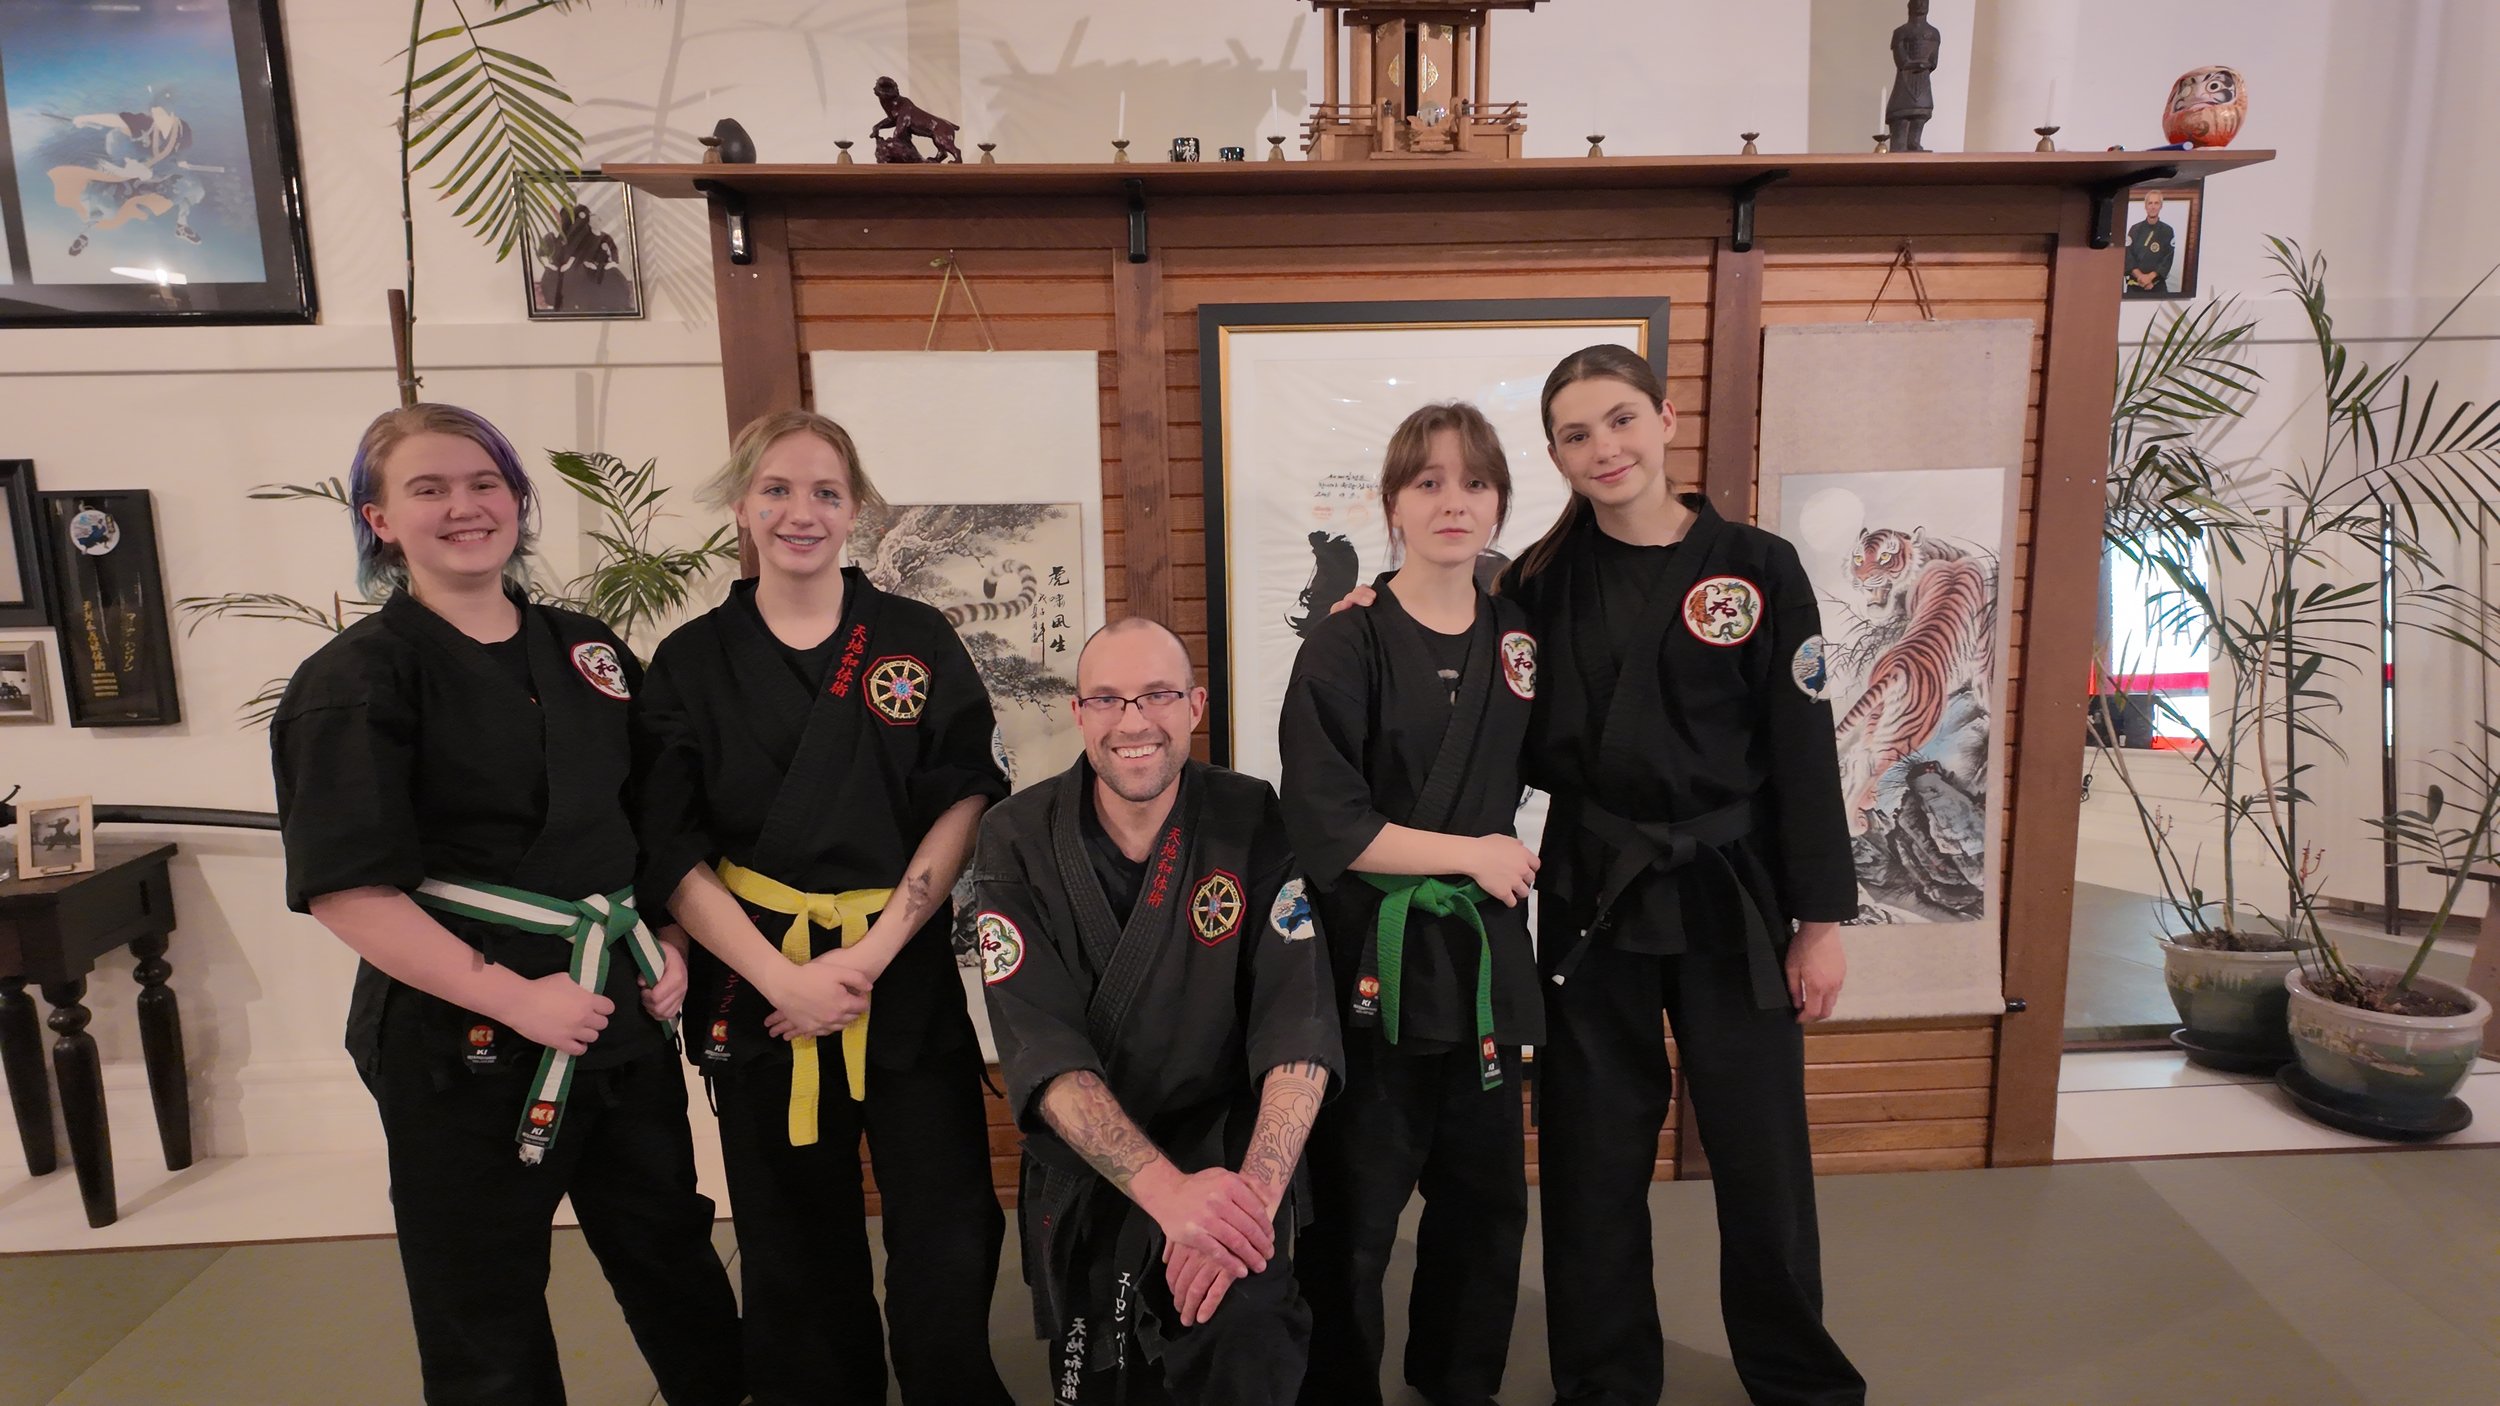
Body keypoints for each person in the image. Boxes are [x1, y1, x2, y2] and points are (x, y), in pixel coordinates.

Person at [271, 403, 741, 1406]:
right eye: (428, 489)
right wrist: (512, 996)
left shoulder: (588, 649)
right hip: (460, 1033)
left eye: (484, 483)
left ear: (518, 501)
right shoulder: (356, 678)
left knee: (668, 1244)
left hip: (614, 1007)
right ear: (379, 520)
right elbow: (347, 886)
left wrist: (665, 942)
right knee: (481, 1289)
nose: (464, 506)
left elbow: (651, 818)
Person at [633, 409, 1014, 1406]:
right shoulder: (689, 660)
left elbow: (964, 794)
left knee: (948, 1215)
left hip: (901, 966)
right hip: (758, 979)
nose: (800, 512)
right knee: (790, 1228)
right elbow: (669, 846)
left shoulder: (913, 637)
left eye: (825, 492)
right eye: (776, 489)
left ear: (855, 511)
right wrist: (783, 977)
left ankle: (949, 1385)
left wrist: (872, 956)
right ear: (740, 505)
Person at [1508, 344, 1865, 1406]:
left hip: (1733, 886)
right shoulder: (1535, 580)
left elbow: (1803, 746)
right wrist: (1376, 611)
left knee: (1760, 1154)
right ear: (1557, 454)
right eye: (1576, 434)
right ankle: (1605, 1380)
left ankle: (1798, 1378)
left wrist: (1821, 917)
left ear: (1665, 418)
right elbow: (1482, 710)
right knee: (1591, 1152)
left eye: (1619, 419)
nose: (1602, 447)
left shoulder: (1757, 565)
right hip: (1592, 886)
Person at [974, 617, 1343, 1405]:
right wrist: (1172, 1198)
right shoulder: (1015, 836)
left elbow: (1298, 1024)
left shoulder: (1249, 815)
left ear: (1195, 706)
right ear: (1078, 714)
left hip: (1231, 1153)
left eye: (1158, 695)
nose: (1134, 721)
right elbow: (1043, 1052)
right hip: (1099, 1161)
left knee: (1244, 1319)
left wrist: (1242, 1207)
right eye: (1107, 699)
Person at [1277, 402, 1544, 1406]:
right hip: (1368, 967)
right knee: (1352, 1218)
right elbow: (1323, 821)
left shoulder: (1518, 637)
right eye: (1428, 481)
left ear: (1499, 503)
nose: (1452, 501)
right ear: (1392, 502)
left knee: (1484, 1212)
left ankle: (1456, 1384)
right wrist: (1473, 853)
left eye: (1474, 482)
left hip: (1478, 967)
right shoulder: (1345, 643)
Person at [2125, 192, 2177, 296]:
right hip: (2135, 285)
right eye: (2150, 203)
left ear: (2161, 206)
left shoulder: (2167, 231)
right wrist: (2140, 277)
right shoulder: (2134, 229)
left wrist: (2150, 278)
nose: (2153, 207)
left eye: (2156, 203)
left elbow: (2167, 259)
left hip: (2157, 286)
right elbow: (2128, 256)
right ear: (2145, 206)